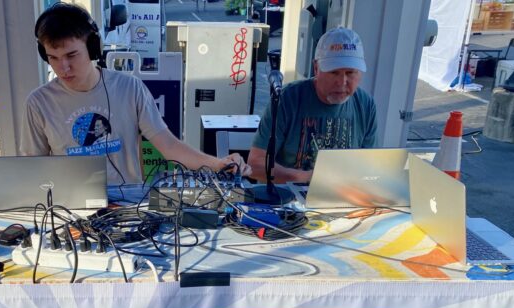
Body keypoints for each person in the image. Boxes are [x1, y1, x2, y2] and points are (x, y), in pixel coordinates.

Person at [19, 3, 251, 185]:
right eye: (53, 58)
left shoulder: (130, 88)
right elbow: (34, 168)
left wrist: (219, 164)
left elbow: (169, 145)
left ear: (92, 48)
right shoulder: (39, 103)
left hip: (128, 204)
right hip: (69, 207)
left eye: (71, 55)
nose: (63, 68)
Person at [248, 27, 377, 184]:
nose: (342, 82)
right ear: (316, 68)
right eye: (334, 72)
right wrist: (307, 178)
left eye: (350, 73)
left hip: (342, 197)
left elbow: (371, 167)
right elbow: (255, 165)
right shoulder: (287, 99)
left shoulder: (366, 105)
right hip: (288, 198)